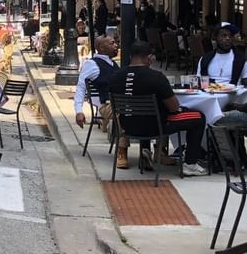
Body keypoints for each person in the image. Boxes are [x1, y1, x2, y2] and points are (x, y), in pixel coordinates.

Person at [109, 40, 207, 176]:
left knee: (146, 116)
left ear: (131, 56)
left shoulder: (115, 76)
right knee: (199, 117)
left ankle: (146, 153)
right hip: (155, 127)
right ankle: (190, 163)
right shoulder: (156, 77)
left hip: (127, 126)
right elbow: (174, 107)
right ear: (148, 58)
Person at [74, 35, 119, 133]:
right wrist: (79, 111)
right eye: (112, 43)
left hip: (120, 103)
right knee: (126, 114)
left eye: (115, 42)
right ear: (101, 47)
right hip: (108, 106)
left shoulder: (113, 64)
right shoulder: (92, 64)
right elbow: (81, 87)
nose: (116, 46)